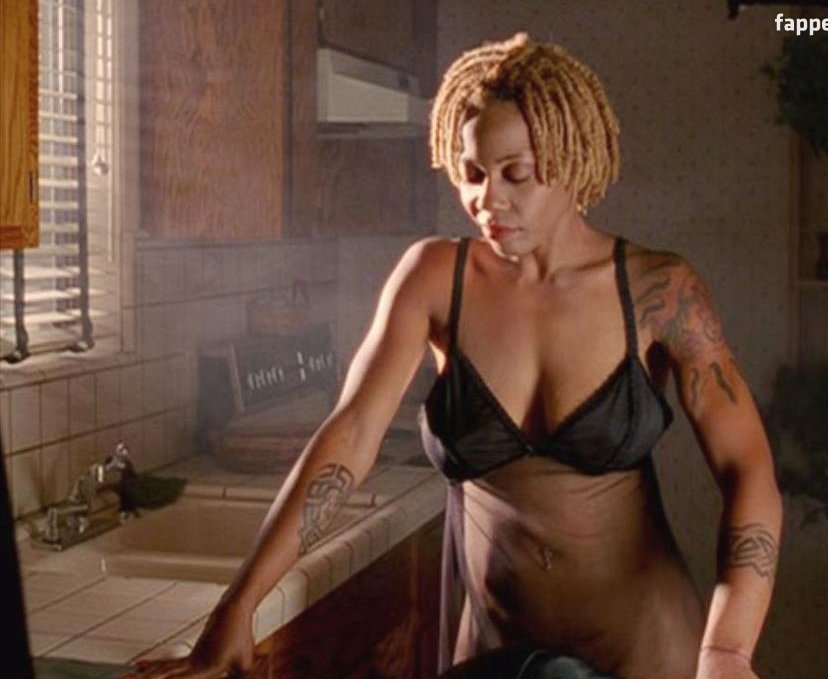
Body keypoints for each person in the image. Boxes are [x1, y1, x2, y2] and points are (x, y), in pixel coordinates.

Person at [132, 33, 782, 679]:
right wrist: (238, 605)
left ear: (571, 156)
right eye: (471, 173)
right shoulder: (434, 278)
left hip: (645, 653)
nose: (486, 199)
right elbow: (349, 438)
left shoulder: (659, 291)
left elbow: (746, 466)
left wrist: (727, 650)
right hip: (493, 655)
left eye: (515, 173)